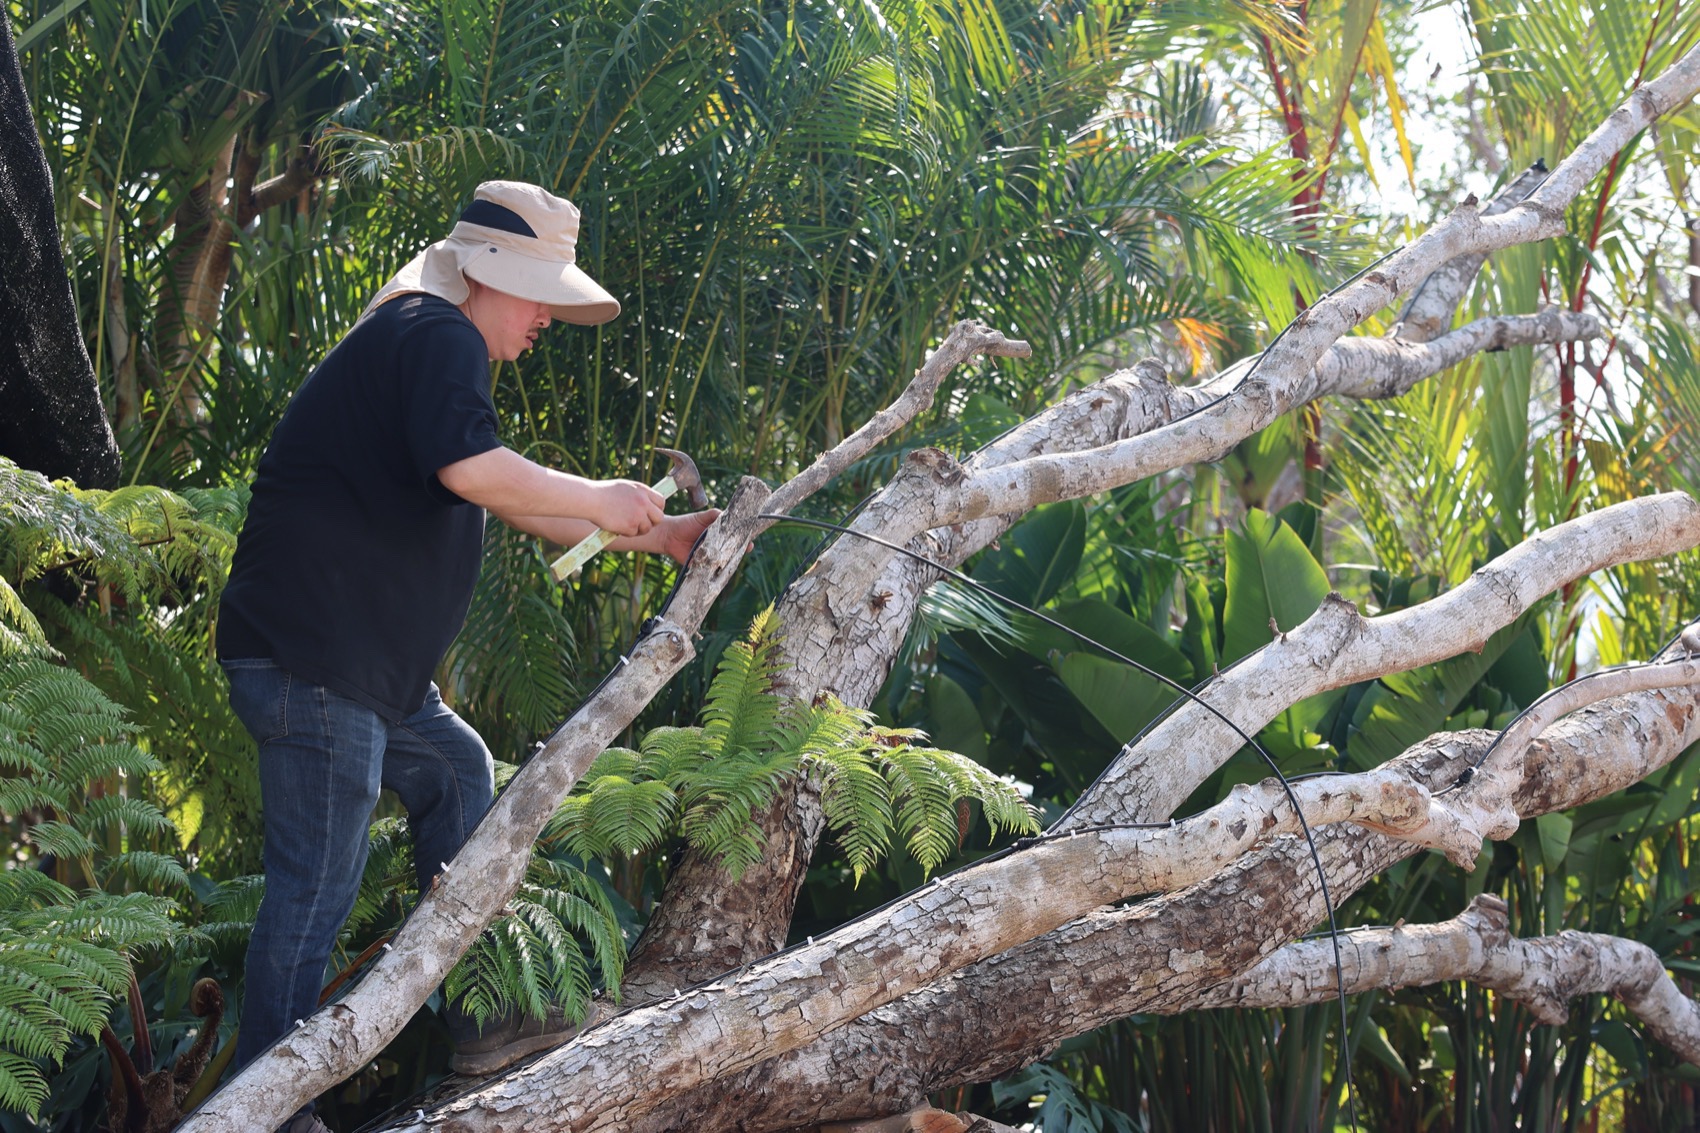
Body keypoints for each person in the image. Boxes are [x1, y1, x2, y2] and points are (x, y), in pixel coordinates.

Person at [216, 181, 716, 1132]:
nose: (545, 319)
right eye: (539, 296)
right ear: (486, 275)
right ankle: (266, 1105)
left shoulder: (430, 344)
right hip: (314, 665)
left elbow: (510, 499)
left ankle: (483, 1015)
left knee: (454, 769)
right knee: (318, 881)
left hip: (363, 676)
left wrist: (656, 537)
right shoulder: (434, 333)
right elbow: (474, 472)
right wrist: (603, 492)